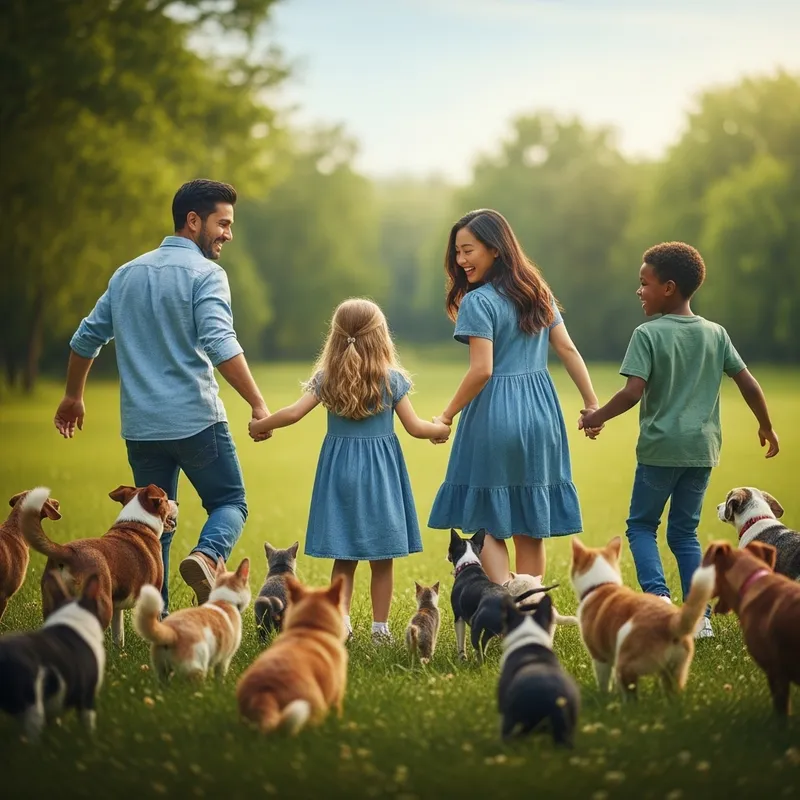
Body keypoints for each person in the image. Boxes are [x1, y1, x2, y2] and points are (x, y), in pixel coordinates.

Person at [54, 179, 270, 610]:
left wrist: (74, 396)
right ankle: (207, 557)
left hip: (142, 426)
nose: (228, 233)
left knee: (154, 525)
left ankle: (161, 616)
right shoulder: (207, 273)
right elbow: (220, 342)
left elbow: (84, 339)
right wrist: (258, 403)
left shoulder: (126, 274)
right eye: (222, 224)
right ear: (193, 221)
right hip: (196, 420)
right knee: (230, 501)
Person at [580, 241, 780, 638]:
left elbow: (633, 391)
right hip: (702, 451)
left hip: (660, 450)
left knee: (640, 526)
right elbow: (748, 382)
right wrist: (766, 425)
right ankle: (700, 618)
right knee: (684, 532)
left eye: (645, 283)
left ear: (668, 287)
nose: (639, 291)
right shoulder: (716, 334)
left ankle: (660, 600)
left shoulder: (647, 334)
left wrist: (595, 417)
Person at [249, 298, 451, 642]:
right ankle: (380, 629)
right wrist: (441, 429)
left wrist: (261, 425)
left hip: (339, 474)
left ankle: (340, 623)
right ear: (381, 337)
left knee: (343, 556)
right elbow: (416, 427)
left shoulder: (327, 378)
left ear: (336, 336)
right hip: (381, 476)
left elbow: (294, 413)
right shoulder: (392, 380)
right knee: (382, 557)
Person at [427, 209, 600, 584]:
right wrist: (592, 404)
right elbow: (568, 350)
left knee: (486, 522)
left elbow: (482, 370)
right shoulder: (538, 293)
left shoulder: (479, 302)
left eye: (468, 250)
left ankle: (505, 601)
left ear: (495, 249)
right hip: (542, 416)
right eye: (457, 253)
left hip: (495, 414)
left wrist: (446, 415)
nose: (460, 261)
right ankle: (531, 608)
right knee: (530, 522)